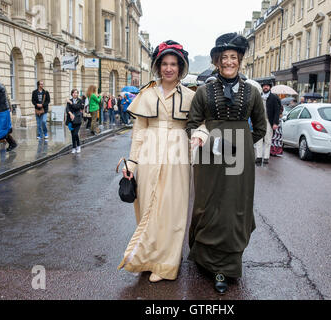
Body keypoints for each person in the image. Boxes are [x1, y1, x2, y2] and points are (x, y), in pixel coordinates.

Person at [185, 33, 267, 294]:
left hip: (239, 159)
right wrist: (207, 141)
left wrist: (241, 142)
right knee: (207, 206)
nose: (229, 62)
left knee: (234, 209)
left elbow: (261, 128)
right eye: (224, 58)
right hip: (210, 156)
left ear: (239, 61)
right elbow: (191, 124)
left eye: (234, 57)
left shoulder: (252, 92)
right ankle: (204, 259)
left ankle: (225, 268)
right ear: (217, 62)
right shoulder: (204, 91)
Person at [118, 40, 195, 284]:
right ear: (158, 66)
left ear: (180, 68)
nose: (169, 68)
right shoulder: (147, 94)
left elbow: (197, 128)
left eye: (174, 64)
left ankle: (167, 264)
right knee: (147, 207)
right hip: (149, 157)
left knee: (173, 210)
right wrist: (131, 163)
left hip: (178, 156)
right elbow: (139, 131)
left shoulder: (192, 96)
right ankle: (147, 258)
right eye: (165, 64)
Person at [255, 79, 281, 166]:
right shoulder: (259, 96)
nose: (265, 87)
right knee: (258, 139)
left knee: (267, 140)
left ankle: (266, 158)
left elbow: (277, 111)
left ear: (270, 87)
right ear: (262, 87)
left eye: (267, 86)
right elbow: (254, 110)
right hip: (259, 121)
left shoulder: (274, 97)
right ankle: (258, 157)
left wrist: (275, 123)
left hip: (269, 121)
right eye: (264, 86)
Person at [66, 89, 84, 154]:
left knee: (76, 134)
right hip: (71, 120)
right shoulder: (69, 100)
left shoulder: (80, 100)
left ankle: (78, 146)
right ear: (72, 94)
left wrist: (71, 103)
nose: (74, 94)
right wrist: (70, 114)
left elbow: (77, 107)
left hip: (78, 120)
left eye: (76, 93)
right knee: (72, 135)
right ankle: (74, 147)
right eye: (73, 93)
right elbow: (67, 109)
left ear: (77, 94)